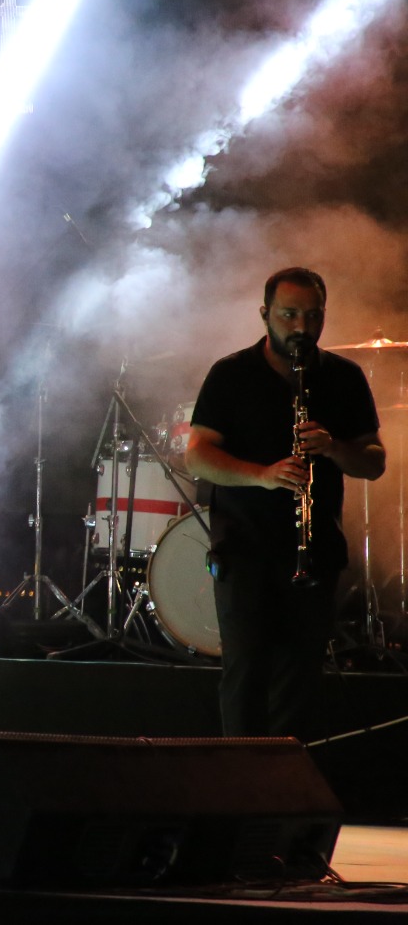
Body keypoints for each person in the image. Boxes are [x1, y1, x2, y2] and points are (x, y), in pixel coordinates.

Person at [186, 267, 385, 737]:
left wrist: (334, 447)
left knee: (300, 684)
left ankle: (288, 778)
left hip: (316, 551)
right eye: (289, 315)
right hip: (245, 548)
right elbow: (197, 456)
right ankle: (243, 777)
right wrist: (262, 476)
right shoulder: (231, 374)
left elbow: (374, 462)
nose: (301, 327)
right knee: (246, 675)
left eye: (313, 316)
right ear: (265, 314)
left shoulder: (343, 377)